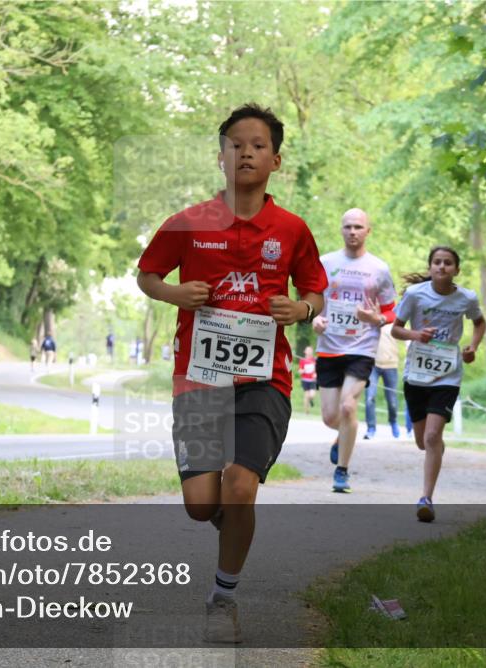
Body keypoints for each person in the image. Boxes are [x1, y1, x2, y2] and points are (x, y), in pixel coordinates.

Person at [136, 103, 326, 643]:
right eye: (235, 143)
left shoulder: (291, 229)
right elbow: (148, 274)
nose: (246, 151)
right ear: (220, 155)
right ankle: (229, 525)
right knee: (202, 506)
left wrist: (302, 310)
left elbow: (315, 289)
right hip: (198, 377)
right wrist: (174, 292)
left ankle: (223, 598)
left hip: (265, 381)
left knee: (239, 487)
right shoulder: (189, 222)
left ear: (276, 160)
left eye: (258, 144)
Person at [391, 246, 486, 523]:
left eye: (447, 263)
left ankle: (426, 499)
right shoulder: (415, 295)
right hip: (416, 374)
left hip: (448, 375)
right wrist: (416, 334)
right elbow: (396, 328)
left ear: (456, 269)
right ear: (430, 267)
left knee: (433, 437)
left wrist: (473, 347)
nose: (442, 267)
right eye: (437, 262)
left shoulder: (466, 298)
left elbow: (480, 323)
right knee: (423, 442)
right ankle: (436, 449)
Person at [312, 208, 397, 493]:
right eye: (347, 226)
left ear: (368, 231)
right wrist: (315, 318)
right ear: (341, 230)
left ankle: (342, 472)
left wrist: (377, 319)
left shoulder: (379, 268)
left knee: (349, 406)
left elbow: (391, 310)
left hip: (362, 347)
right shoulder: (325, 263)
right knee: (330, 417)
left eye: (358, 227)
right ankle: (343, 436)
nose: (352, 232)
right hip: (329, 347)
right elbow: (311, 300)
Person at [364, 324, 401, 439]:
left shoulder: (395, 321)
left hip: (391, 365)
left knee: (392, 401)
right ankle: (371, 428)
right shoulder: (371, 319)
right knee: (369, 397)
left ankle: (393, 421)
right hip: (372, 365)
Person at [298, 346, 318, 414]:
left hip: (313, 380)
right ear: (305, 352)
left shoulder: (314, 360)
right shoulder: (302, 360)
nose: (309, 351)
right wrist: (303, 370)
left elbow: (317, 369)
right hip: (305, 380)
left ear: (312, 352)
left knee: (312, 395)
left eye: (310, 350)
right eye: (308, 350)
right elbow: (300, 370)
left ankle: (311, 400)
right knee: (306, 395)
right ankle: (306, 411)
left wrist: (316, 374)